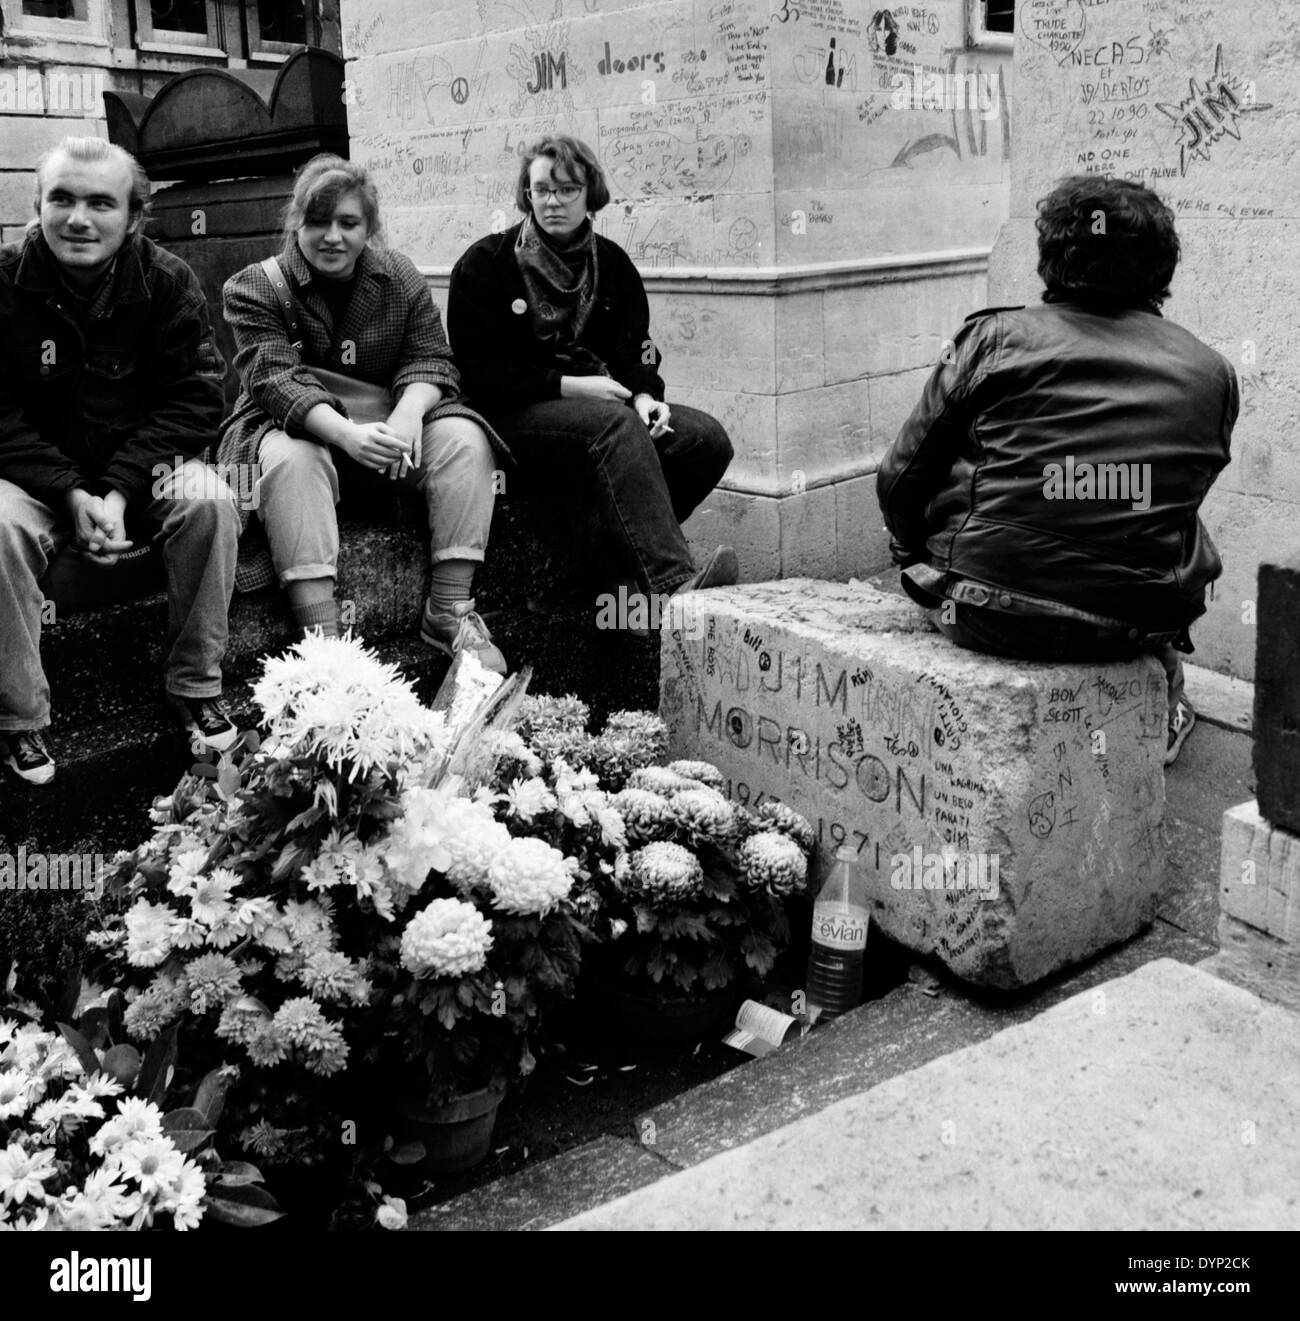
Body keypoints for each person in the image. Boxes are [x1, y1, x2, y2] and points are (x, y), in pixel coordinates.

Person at [877, 174, 1237, 766]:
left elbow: (901, 474)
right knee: (1171, 514)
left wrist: (909, 545)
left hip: (982, 610)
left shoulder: (994, 338)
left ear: (1051, 259)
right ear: (1161, 268)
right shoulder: (1212, 373)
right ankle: (1166, 696)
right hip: (1127, 624)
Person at [0, 137, 239, 786]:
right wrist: (73, 491)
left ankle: (195, 684)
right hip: (32, 477)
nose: (79, 218)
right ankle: (20, 717)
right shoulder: (5, 280)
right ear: (38, 206)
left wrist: (116, 489)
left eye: (101, 202)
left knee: (212, 502)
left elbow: (196, 399)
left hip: (141, 471)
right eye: (62, 199)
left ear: (133, 216)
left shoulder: (165, 281)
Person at [219, 155, 510, 672]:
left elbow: (431, 357)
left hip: (387, 426)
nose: (332, 237)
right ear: (295, 224)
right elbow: (273, 381)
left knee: (467, 439)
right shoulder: (255, 286)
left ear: (369, 228)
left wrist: (408, 414)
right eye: (317, 222)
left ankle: (449, 609)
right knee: (292, 460)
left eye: (348, 223)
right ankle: (324, 643)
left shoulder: (398, 275)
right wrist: (347, 434)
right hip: (295, 426)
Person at [447, 133, 737, 626]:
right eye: (541, 190)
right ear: (526, 194)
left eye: (567, 190)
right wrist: (571, 387)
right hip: (512, 416)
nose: (553, 201)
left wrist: (646, 396)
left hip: (603, 410)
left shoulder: (613, 265)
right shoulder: (485, 265)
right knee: (615, 426)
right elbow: (480, 371)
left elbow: (637, 349)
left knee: (704, 439)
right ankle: (671, 586)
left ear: (590, 194)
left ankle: (606, 567)